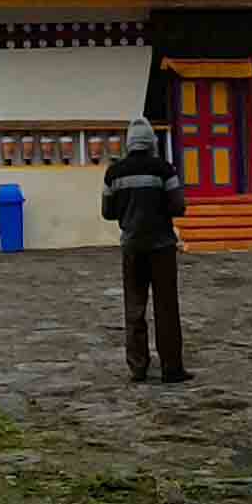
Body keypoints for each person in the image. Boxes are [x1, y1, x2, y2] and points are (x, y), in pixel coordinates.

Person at [101, 116, 190, 382]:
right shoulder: (164, 170)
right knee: (166, 308)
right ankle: (171, 368)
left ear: (128, 144)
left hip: (132, 247)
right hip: (162, 247)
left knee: (134, 307)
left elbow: (107, 212)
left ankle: (138, 367)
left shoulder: (113, 173)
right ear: (152, 142)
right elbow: (178, 207)